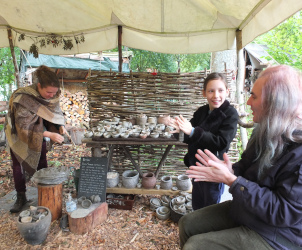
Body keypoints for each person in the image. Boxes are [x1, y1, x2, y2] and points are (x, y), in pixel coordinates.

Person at [179, 65, 302, 249]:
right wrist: (230, 170)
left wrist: (233, 181)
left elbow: (283, 211)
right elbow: (245, 167)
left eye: (254, 96)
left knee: (195, 246)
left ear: (274, 103)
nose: (248, 103)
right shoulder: (264, 131)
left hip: (277, 233)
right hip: (249, 210)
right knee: (186, 224)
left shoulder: (298, 149)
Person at [170, 72, 238, 210]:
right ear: (204, 93)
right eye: (211, 91)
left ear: (227, 92)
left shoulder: (230, 114)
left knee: (211, 205)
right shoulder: (201, 112)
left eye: (220, 90)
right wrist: (179, 131)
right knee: (197, 201)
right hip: (197, 165)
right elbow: (190, 137)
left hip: (214, 168)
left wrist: (193, 131)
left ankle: (208, 228)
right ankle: (196, 226)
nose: (216, 95)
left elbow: (222, 142)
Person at [5, 65, 68, 213]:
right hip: (18, 132)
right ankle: (21, 196)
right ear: (39, 86)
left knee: (41, 158)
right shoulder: (23, 98)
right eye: (48, 92)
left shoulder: (53, 94)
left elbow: (54, 112)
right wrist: (49, 135)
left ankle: (44, 190)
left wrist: (60, 126)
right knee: (18, 164)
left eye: (54, 93)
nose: (51, 95)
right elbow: (23, 128)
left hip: (39, 130)